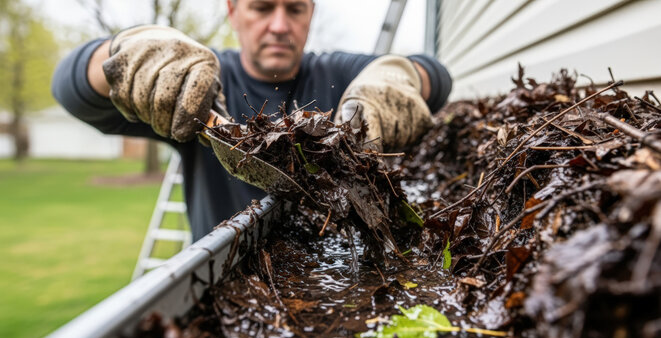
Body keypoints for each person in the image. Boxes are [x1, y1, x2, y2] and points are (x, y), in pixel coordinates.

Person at [51, 0, 452, 241]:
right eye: (262, 6)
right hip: (224, 288)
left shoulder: (338, 75)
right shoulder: (198, 81)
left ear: (310, 13)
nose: (279, 25)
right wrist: (123, 50)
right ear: (233, 11)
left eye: (295, 8)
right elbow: (70, 90)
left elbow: (436, 75)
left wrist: (403, 76)